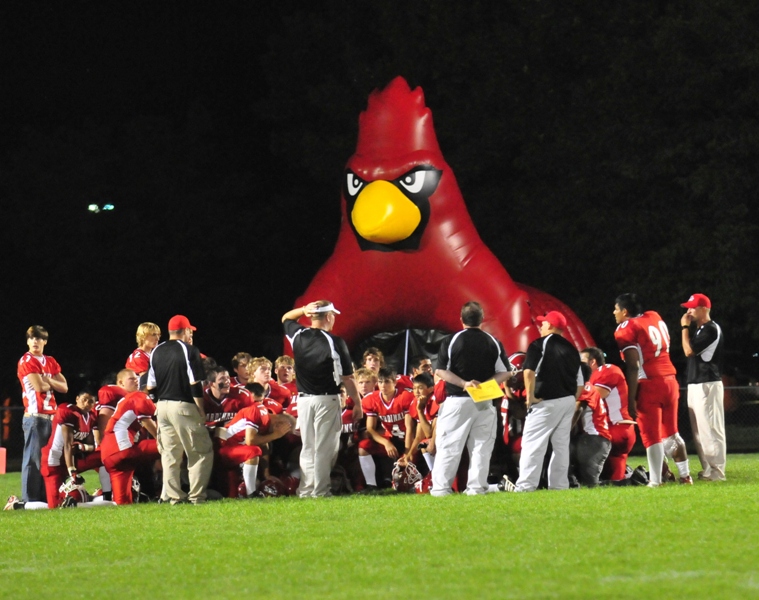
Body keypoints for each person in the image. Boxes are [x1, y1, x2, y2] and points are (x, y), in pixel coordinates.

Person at [432, 301, 511, 496]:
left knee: (450, 445)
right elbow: (505, 373)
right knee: (481, 447)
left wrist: (464, 383)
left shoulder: (452, 340)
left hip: (457, 400)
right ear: (482, 320)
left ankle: (441, 489)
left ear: (461, 320)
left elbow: (441, 371)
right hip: (484, 400)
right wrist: (484, 386)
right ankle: (476, 488)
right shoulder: (492, 341)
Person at [282, 300, 360, 498]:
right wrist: (357, 402)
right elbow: (348, 379)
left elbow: (286, 318)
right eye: (333, 315)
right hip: (327, 399)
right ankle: (321, 491)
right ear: (328, 317)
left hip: (304, 400)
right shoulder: (334, 342)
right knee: (325, 448)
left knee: (308, 447)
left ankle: (306, 490)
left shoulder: (298, 335)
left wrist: (302, 310)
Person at [613, 293, 692, 487]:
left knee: (652, 436)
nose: (614, 313)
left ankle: (656, 481)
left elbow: (633, 366)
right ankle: (685, 476)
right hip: (671, 381)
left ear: (625, 311)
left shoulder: (626, 328)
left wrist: (631, 398)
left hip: (649, 382)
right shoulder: (654, 316)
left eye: (616, 309)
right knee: (672, 433)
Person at [147, 314, 213, 504]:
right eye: (189, 330)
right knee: (200, 453)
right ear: (185, 330)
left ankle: (174, 498)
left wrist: (157, 404)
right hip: (183, 406)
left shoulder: (156, 351)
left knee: (169, 454)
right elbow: (195, 383)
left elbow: (150, 385)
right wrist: (200, 408)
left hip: (162, 407)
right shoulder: (188, 350)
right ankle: (196, 497)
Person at [514, 311, 583, 492]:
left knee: (532, 444)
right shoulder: (572, 349)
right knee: (560, 446)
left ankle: (526, 486)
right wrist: (569, 400)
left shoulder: (540, 344)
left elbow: (528, 371)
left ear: (551, 326)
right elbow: (580, 383)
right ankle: (559, 486)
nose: (541, 326)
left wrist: (530, 397)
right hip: (567, 400)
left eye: (544, 323)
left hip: (546, 401)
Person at [17, 325, 68, 504]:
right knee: (33, 459)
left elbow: (65, 387)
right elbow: (39, 387)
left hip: (51, 417)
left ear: (45, 341)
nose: (35, 341)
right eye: (31, 338)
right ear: (27, 341)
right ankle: (29, 500)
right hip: (35, 416)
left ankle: (47, 497)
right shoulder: (26, 360)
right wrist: (51, 381)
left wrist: (47, 380)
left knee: (49, 459)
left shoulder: (50, 360)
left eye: (38, 338)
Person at [680, 293, 726, 481]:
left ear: (704, 309)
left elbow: (688, 351)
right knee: (699, 431)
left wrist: (684, 327)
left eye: (693, 307)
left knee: (710, 429)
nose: (689, 311)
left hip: (707, 383)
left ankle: (717, 472)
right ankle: (708, 469)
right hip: (697, 383)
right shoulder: (701, 330)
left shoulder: (711, 329)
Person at [580, 347, 636, 481]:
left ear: (592, 362)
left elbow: (594, 396)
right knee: (615, 478)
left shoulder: (606, 370)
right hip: (619, 429)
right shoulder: (591, 377)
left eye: (581, 361)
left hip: (615, 428)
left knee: (579, 449)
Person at [100, 386, 160, 504]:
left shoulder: (129, 399)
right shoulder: (140, 397)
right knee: (173, 445)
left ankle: (80, 504)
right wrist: (162, 440)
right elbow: (146, 421)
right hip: (121, 447)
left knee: (122, 502)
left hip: (108, 453)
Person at [358, 367, 415, 490]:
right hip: (392, 439)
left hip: (410, 440)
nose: (383, 385)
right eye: (381, 381)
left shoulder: (405, 396)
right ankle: (371, 485)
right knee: (364, 446)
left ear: (394, 382)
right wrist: (386, 442)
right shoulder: (371, 399)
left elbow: (410, 427)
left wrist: (407, 452)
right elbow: (370, 428)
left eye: (387, 381)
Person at [571, 364, 612, 488]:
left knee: (590, 484)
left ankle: (632, 481)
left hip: (595, 439)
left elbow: (578, 409)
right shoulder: (587, 386)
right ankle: (570, 483)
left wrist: (565, 431)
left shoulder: (585, 387)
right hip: (591, 438)